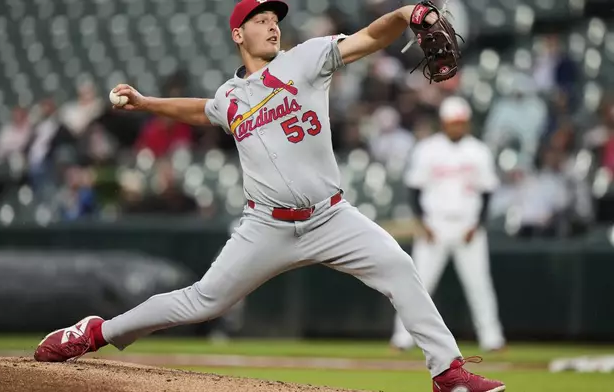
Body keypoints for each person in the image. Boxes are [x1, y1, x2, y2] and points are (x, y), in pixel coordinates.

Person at [33, 2, 505, 391]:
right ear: (238, 34)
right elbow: (204, 110)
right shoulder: (231, 95)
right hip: (266, 226)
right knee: (203, 302)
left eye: (275, 18)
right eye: (260, 20)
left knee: (400, 267)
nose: (272, 24)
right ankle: (96, 332)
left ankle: (448, 372)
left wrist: (406, 14)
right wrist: (146, 102)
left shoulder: (307, 59)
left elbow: (368, 38)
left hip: (331, 217)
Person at [390, 97, 506, 353]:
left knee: (479, 286)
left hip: (469, 226)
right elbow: (414, 190)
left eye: (461, 123)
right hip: (435, 225)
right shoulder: (428, 149)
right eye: (453, 122)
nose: (457, 127)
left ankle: (492, 339)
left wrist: (478, 225)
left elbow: (487, 193)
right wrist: (423, 223)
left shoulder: (478, 150)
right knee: (417, 283)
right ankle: (402, 338)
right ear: (443, 123)